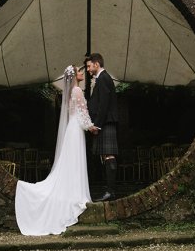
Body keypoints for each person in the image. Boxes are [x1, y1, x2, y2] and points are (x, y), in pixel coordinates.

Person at [15, 65, 97, 236]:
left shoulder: (69, 93)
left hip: (71, 130)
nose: (82, 72)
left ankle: (72, 192)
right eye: (79, 71)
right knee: (74, 162)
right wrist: (91, 127)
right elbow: (83, 113)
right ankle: (76, 195)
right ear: (74, 75)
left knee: (70, 163)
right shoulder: (77, 91)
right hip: (76, 130)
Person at [85, 53, 119, 202]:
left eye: (88, 66)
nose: (87, 69)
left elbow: (104, 104)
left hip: (105, 123)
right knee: (106, 156)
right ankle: (109, 190)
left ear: (96, 64)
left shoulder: (104, 78)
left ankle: (111, 191)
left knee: (109, 155)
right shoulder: (101, 78)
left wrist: (97, 125)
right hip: (103, 122)